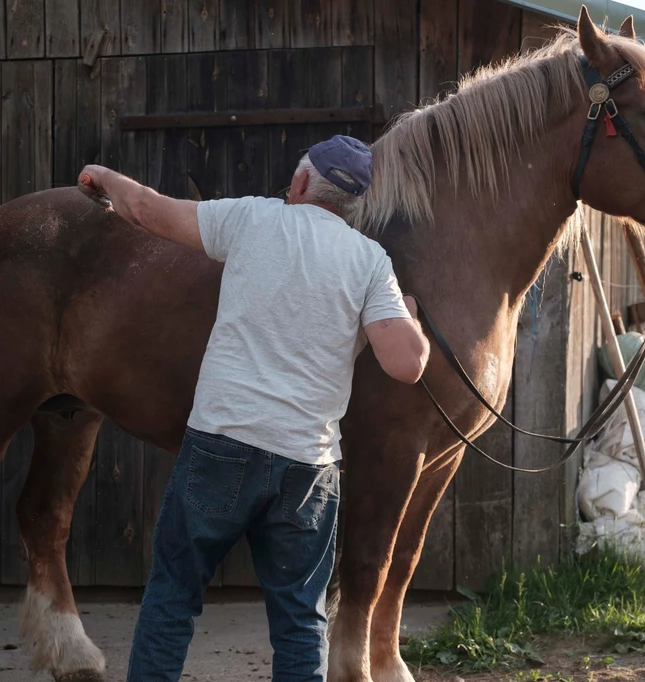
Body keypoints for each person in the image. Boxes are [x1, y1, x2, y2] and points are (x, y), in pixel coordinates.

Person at [77, 134, 430, 682]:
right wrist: (411, 321)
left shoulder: (252, 219)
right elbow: (406, 365)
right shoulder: (369, 261)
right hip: (307, 468)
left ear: (298, 184)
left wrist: (105, 178)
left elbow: (146, 209)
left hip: (221, 445)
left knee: (173, 595)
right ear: (356, 206)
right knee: (299, 619)